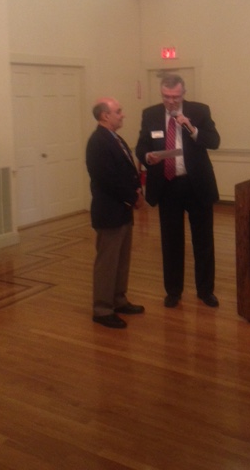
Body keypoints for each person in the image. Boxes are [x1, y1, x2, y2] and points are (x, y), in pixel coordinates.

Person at [136, 74, 221, 308]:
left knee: (203, 241)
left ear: (184, 93)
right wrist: (147, 156)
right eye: (166, 96)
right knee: (171, 242)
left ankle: (205, 291)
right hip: (167, 185)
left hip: (196, 185)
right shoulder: (150, 114)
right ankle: (173, 291)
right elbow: (142, 145)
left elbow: (214, 141)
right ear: (161, 94)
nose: (171, 101)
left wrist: (191, 128)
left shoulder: (200, 111)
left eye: (175, 97)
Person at [86, 97, 145, 329]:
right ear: (105, 116)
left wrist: (137, 190)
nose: (123, 115)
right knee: (107, 263)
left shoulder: (114, 138)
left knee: (121, 260)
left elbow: (127, 171)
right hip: (109, 212)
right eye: (118, 111)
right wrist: (133, 197)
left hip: (122, 210)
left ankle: (118, 300)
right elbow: (107, 179)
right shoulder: (98, 142)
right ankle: (102, 309)